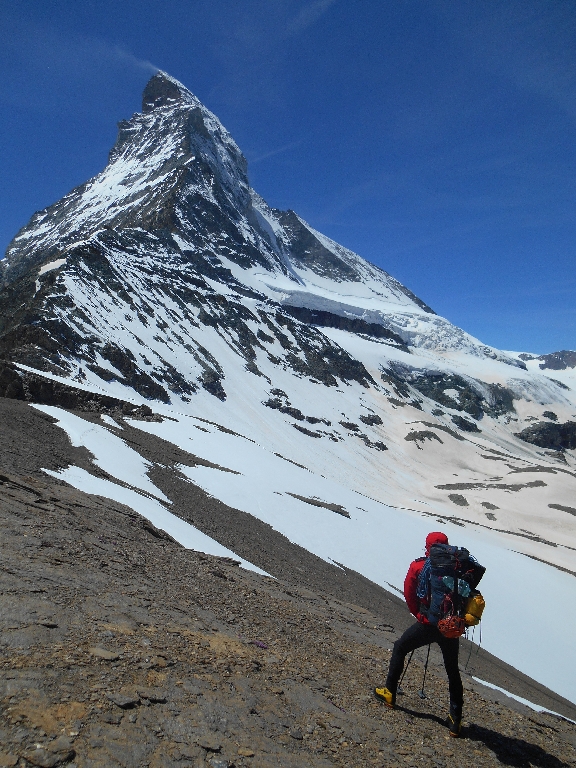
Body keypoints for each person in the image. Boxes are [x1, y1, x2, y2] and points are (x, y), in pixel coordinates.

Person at [374, 531, 464, 737]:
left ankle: (389, 693)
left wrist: (419, 614)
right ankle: (455, 720)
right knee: (452, 670)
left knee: (400, 647)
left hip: (427, 624)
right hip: (449, 627)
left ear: (428, 546)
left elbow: (409, 591)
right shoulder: (457, 569)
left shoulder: (419, 565)